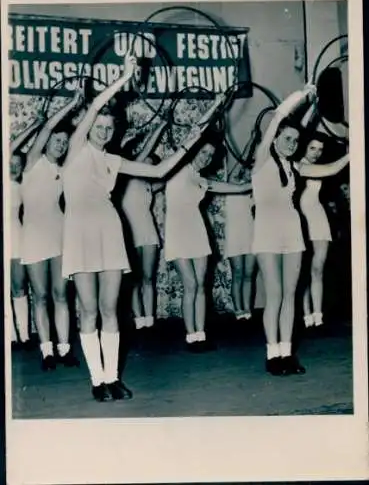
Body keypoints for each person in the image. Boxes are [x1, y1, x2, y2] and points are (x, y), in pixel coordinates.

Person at [62, 54, 227, 401]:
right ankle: (96, 380)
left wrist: (190, 142)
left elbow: (159, 170)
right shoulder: (76, 150)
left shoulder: (113, 160)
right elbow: (94, 107)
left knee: (110, 309)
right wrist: (124, 77)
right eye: (100, 126)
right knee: (89, 310)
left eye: (110, 127)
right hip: (79, 234)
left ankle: (111, 377)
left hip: (110, 231)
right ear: (89, 127)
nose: (104, 131)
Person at [251, 83, 349, 376]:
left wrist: (355, 151)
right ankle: (272, 354)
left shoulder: (296, 168)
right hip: (266, 234)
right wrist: (303, 95)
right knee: (275, 295)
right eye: (288, 138)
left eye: (296, 141)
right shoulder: (262, 160)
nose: (292, 144)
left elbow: (331, 169)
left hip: (293, 232)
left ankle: (286, 353)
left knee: (291, 296)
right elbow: (280, 114)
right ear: (275, 138)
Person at [164, 129, 252, 352]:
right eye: (203, 152)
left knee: (201, 285)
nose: (206, 157)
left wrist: (258, 181)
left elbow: (239, 187)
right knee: (190, 284)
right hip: (178, 234)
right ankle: (190, 335)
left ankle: (200, 335)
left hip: (198, 232)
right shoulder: (176, 169)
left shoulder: (201, 180)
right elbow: (190, 137)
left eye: (210, 155)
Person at [20, 93, 82, 371]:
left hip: (59, 233)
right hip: (33, 236)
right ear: (46, 144)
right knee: (41, 295)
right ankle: (46, 351)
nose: (61, 145)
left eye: (64, 143)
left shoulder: (65, 169)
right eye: (57, 141)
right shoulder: (32, 161)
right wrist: (72, 104)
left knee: (61, 294)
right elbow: (46, 128)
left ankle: (65, 348)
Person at [121, 122, 168, 330]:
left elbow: (168, 175)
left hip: (148, 233)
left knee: (148, 278)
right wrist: (161, 126)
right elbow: (147, 148)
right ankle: (139, 319)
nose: (148, 168)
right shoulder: (126, 176)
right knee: (133, 280)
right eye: (145, 164)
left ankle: (150, 319)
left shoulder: (150, 185)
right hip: (129, 234)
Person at [299, 131, 347, 330]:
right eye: (312, 148)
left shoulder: (316, 166)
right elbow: (331, 169)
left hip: (318, 218)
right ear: (304, 147)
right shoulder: (298, 166)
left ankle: (318, 317)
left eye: (320, 150)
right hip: (301, 220)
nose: (316, 153)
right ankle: (306, 315)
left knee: (317, 269)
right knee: (302, 271)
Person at [9, 118, 43, 350]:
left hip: (17, 236)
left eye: (17, 164)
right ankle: (10, 336)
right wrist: (31, 127)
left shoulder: (23, 185)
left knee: (19, 287)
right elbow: (9, 148)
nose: (13, 167)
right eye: (9, 163)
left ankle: (24, 336)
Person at [224, 152, 256, 322]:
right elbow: (239, 163)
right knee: (238, 273)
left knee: (249, 273)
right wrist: (251, 139)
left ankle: (247, 308)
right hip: (234, 234)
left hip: (250, 234)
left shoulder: (252, 192)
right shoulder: (230, 185)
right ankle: (238, 309)